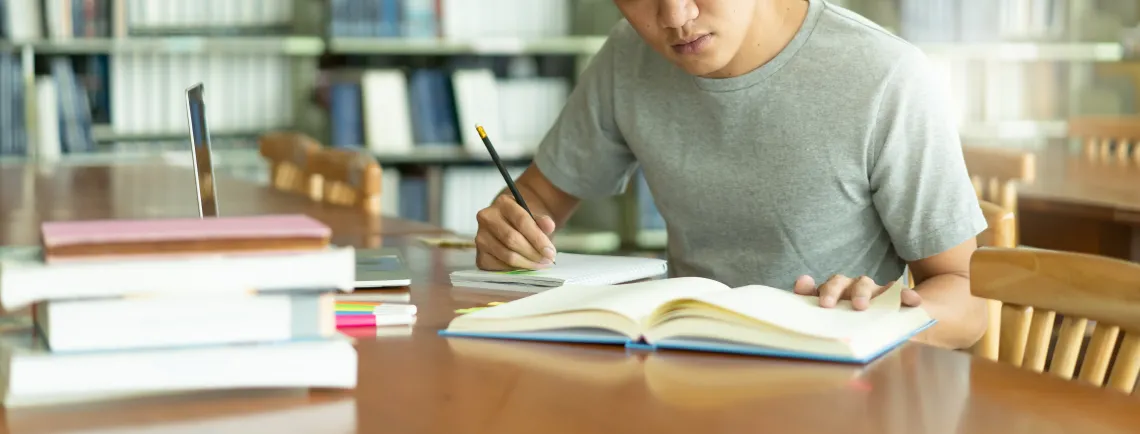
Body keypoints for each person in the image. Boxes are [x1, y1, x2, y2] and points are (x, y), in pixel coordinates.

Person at [472, 0, 988, 350]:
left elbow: (968, 295)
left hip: (836, 392)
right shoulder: (626, 57)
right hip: (680, 370)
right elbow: (537, 197)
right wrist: (511, 233)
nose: (675, 17)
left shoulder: (885, 74)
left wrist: (879, 324)